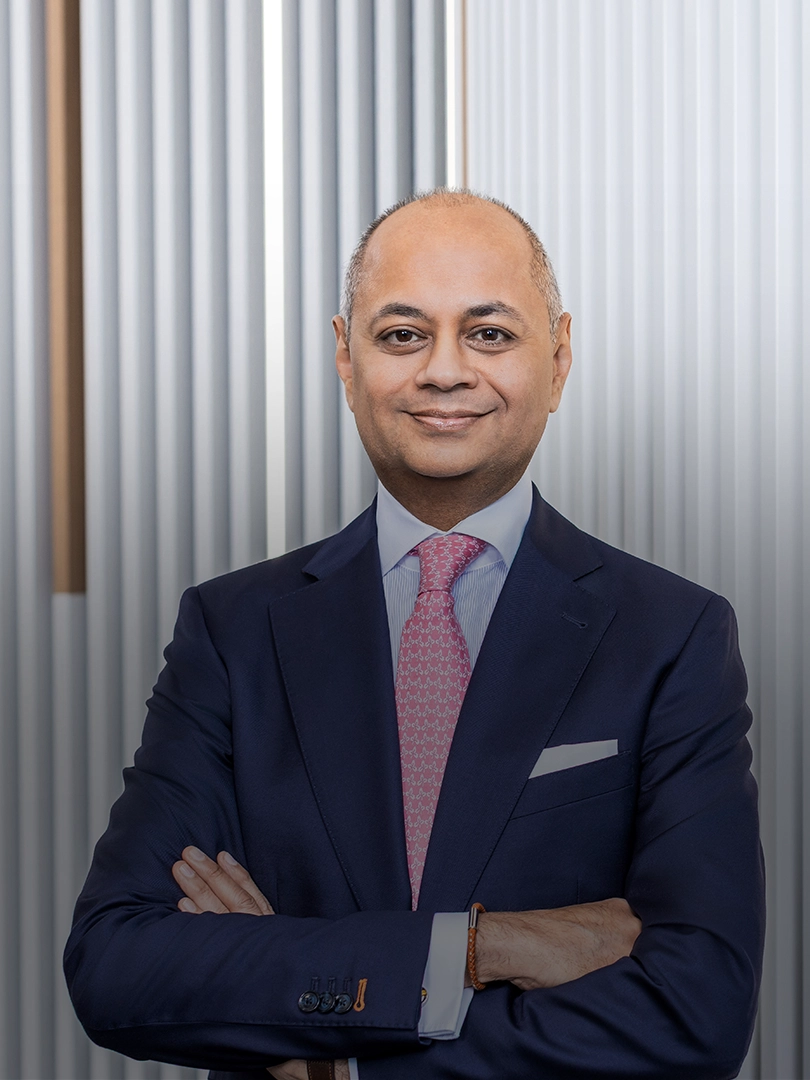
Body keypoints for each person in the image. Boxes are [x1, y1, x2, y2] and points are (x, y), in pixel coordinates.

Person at [65, 190, 765, 1080]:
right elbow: (118, 965)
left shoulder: (672, 633)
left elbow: (698, 1011)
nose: (444, 371)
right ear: (345, 359)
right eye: (402, 335)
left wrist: (337, 1059)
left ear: (559, 359)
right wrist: (475, 947)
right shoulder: (232, 631)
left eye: (490, 333)